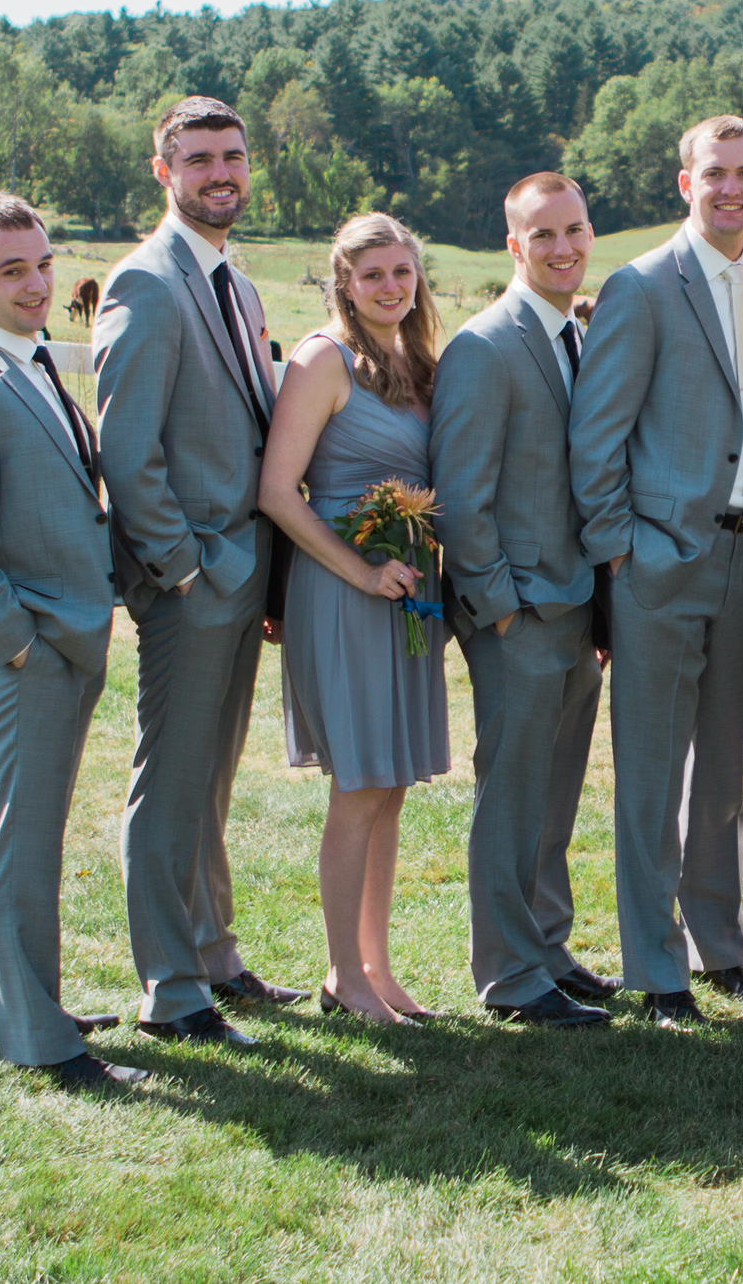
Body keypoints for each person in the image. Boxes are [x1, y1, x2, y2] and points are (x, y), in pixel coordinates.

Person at [0, 192, 142, 1091]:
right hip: (30, 651)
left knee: (29, 832)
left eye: (44, 262)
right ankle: (38, 1036)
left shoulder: (36, 363)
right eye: (13, 269)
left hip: (65, 639)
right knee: (21, 837)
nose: (38, 282)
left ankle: (18, 997)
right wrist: (19, 644)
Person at [95, 96, 305, 1049]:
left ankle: (214, 955)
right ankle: (170, 989)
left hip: (241, 578)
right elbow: (127, 451)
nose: (220, 173)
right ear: (163, 168)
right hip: (193, 583)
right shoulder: (145, 283)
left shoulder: (234, 282)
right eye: (200, 159)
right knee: (171, 782)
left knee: (211, 781)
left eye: (233, 156)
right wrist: (184, 568)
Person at [570, 115, 743, 1028]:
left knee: (722, 771)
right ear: (683, 181)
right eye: (714, 174)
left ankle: (717, 941)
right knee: (652, 775)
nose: (729, 188)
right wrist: (624, 550)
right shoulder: (642, 285)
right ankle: (655, 968)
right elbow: (596, 433)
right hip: (660, 561)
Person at [257, 213, 453, 1025]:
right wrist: (362, 569)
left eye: (401, 272)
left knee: (393, 782)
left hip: (408, 594)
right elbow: (277, 492)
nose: (390, 287)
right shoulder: (321, 360)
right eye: (372, 275)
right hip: (344, 592)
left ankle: (376, 966)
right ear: (343, 280)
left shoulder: (415, 363)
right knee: (360, 780)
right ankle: (342, 972)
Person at [434, 173, 618, 1030]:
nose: (562, 248)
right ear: (514, 244)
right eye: (542, 235)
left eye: (574, 230)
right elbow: (462, 498)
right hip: (518, 615)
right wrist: (501, 608)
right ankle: (508, 975)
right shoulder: (485, 346)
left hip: (576, 611)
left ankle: (546, 945)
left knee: (554, 792)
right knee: (511, 794)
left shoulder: (575, 335)